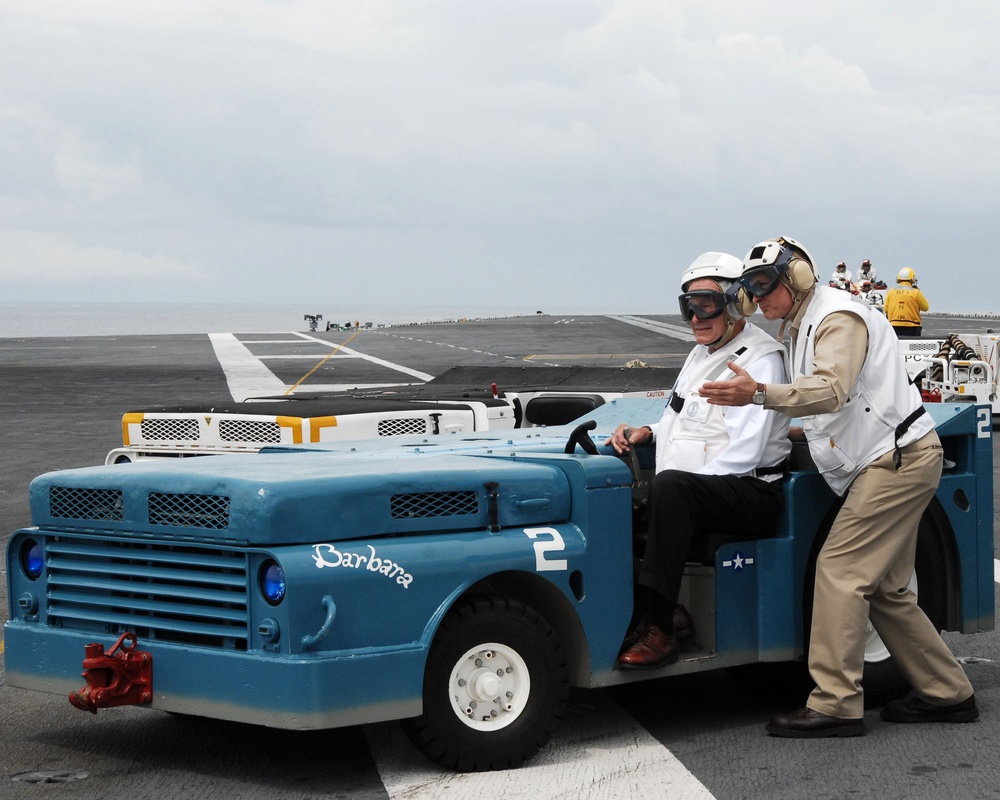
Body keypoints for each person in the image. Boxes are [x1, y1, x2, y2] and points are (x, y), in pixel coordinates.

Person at [698, 236, 977, 738]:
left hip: (894, 461)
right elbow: (835, 404)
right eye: (751, 289)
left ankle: (835, 703)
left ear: (797, 278)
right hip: (895, 458)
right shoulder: (801, 324)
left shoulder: (836, 317)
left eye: (765, 285)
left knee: (840, 571)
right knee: (888, 590)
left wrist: (758, 394)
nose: (758, 298)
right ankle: (947, 693)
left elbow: (831, 389)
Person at [605, 252, 791, 669]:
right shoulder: (699, 355)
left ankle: (661, 630)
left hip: (752, 490)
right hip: (705, 490)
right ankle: (664, 611)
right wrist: (646, 433)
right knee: (615, 502)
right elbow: (677, 414)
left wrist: (671, 493)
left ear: (736, 302)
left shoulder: (761, 360)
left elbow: (744, 454)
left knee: (669, 489)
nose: (694, 317)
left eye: (706, 304)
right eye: (688, 306)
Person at [885, 267, 929, 337]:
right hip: (912, 326)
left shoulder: (891, 292)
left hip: (894, 325)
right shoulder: (916, 292)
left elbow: (886, 309)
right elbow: (925, 307)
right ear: (912, 279)